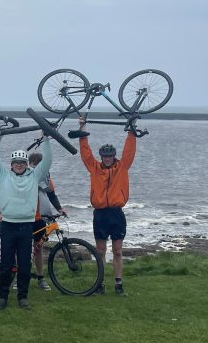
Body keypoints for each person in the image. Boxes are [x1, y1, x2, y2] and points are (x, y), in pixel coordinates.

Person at [0, 135, 52, 310]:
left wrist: (46, 140)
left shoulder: (34, 176)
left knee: (25, 265)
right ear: (11, 164)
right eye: (16, 162)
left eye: (22, 162)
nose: (19, 164)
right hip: (8, 226)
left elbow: (47, 162)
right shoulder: (3, 176)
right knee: (6, 265)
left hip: (26, 227)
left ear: (26, 164)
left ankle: (23, 297)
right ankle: (2, 297)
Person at [78, 115, 136, 296]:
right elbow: (85, 152)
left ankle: (118, 285)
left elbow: (130, 150)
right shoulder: (94, 167)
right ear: (101, 156)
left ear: (114, 156)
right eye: (105, 156)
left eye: (110, 156)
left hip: (117, 214)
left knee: (118, 251)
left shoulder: (123, 167)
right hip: (100, 214)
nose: (108, 158)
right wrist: (82, 128)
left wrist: (132, 129)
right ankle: (100, 285)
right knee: (100, 251)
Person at [9, 152, 67, 291]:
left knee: (38, 248)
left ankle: (40, 278)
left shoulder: (46, 177)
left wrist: (59, 208)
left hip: (40, 218)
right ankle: (18, 277)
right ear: (30, 164)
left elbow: (52, 195)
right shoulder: (27, 176)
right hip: (26, 217)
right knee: (22, 249)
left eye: (40, 164)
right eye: (35, 163)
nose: (37, 166)